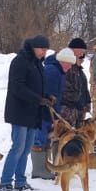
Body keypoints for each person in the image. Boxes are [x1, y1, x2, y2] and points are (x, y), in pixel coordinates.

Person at [0, 35, 51, 191]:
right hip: (19, 112)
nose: (44, 52)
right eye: (42, 49)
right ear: (33, 47)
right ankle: (5, 181)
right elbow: (17, 87)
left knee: (27, 149)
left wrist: (46, 97)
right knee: (18, 147)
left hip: (33, 112)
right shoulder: (20, 61)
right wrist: (37, 99)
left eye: (46, 50)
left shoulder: (37, 64)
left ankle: (20, 181)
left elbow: (38, 86)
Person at [34, 47, 76, 180]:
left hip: (50, 111)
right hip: (43, 111)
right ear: (63, 61)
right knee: (39, 140)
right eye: (69, 64)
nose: (69, 68)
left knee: (46, 139)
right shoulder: (52, 71)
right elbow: (48, 93)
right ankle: (39, 170)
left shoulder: (60, 71)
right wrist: (50, 105)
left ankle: (46, 167)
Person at [59, 38, 92, 126]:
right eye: (81, 51)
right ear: (73, 50)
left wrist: (87, 103)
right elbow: (65, 89)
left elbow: (84, 88)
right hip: (68, 111)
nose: (82, 54)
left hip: (79, 112)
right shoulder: (67, 67)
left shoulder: (79, 70)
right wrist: (76, 101)